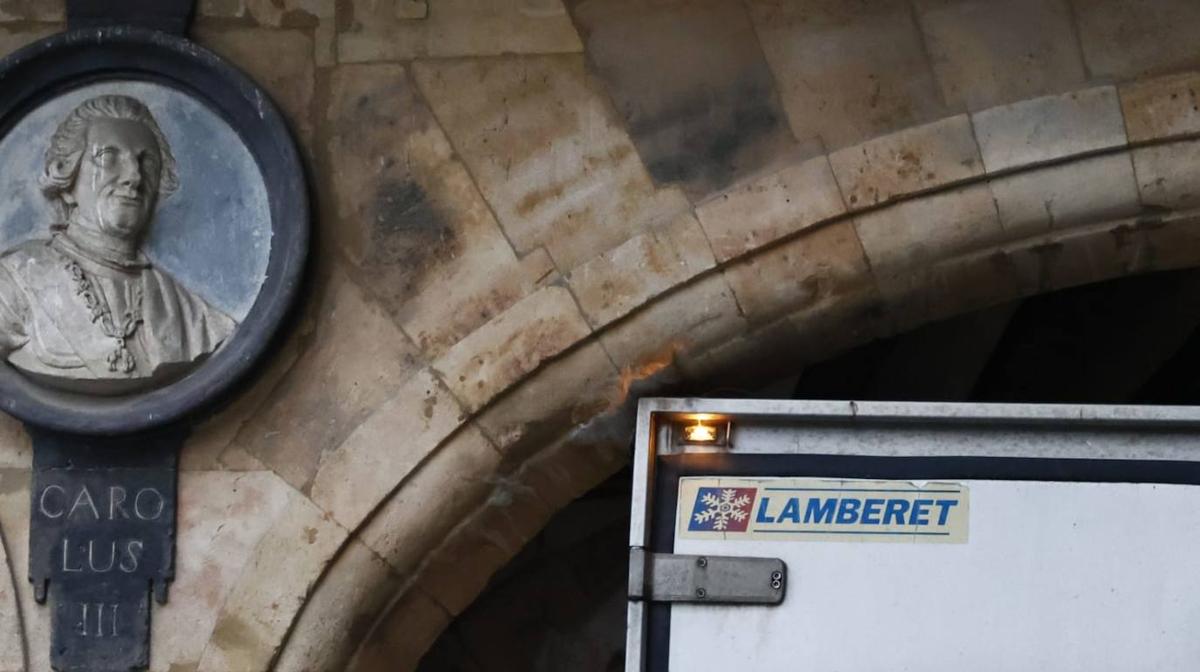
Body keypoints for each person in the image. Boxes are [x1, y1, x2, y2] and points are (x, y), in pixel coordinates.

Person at [0, 95, 236, 395]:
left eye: (146, 161)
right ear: (67, 181)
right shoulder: (14, 281)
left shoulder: (192, 316)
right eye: (108, 157)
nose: (134, 177)